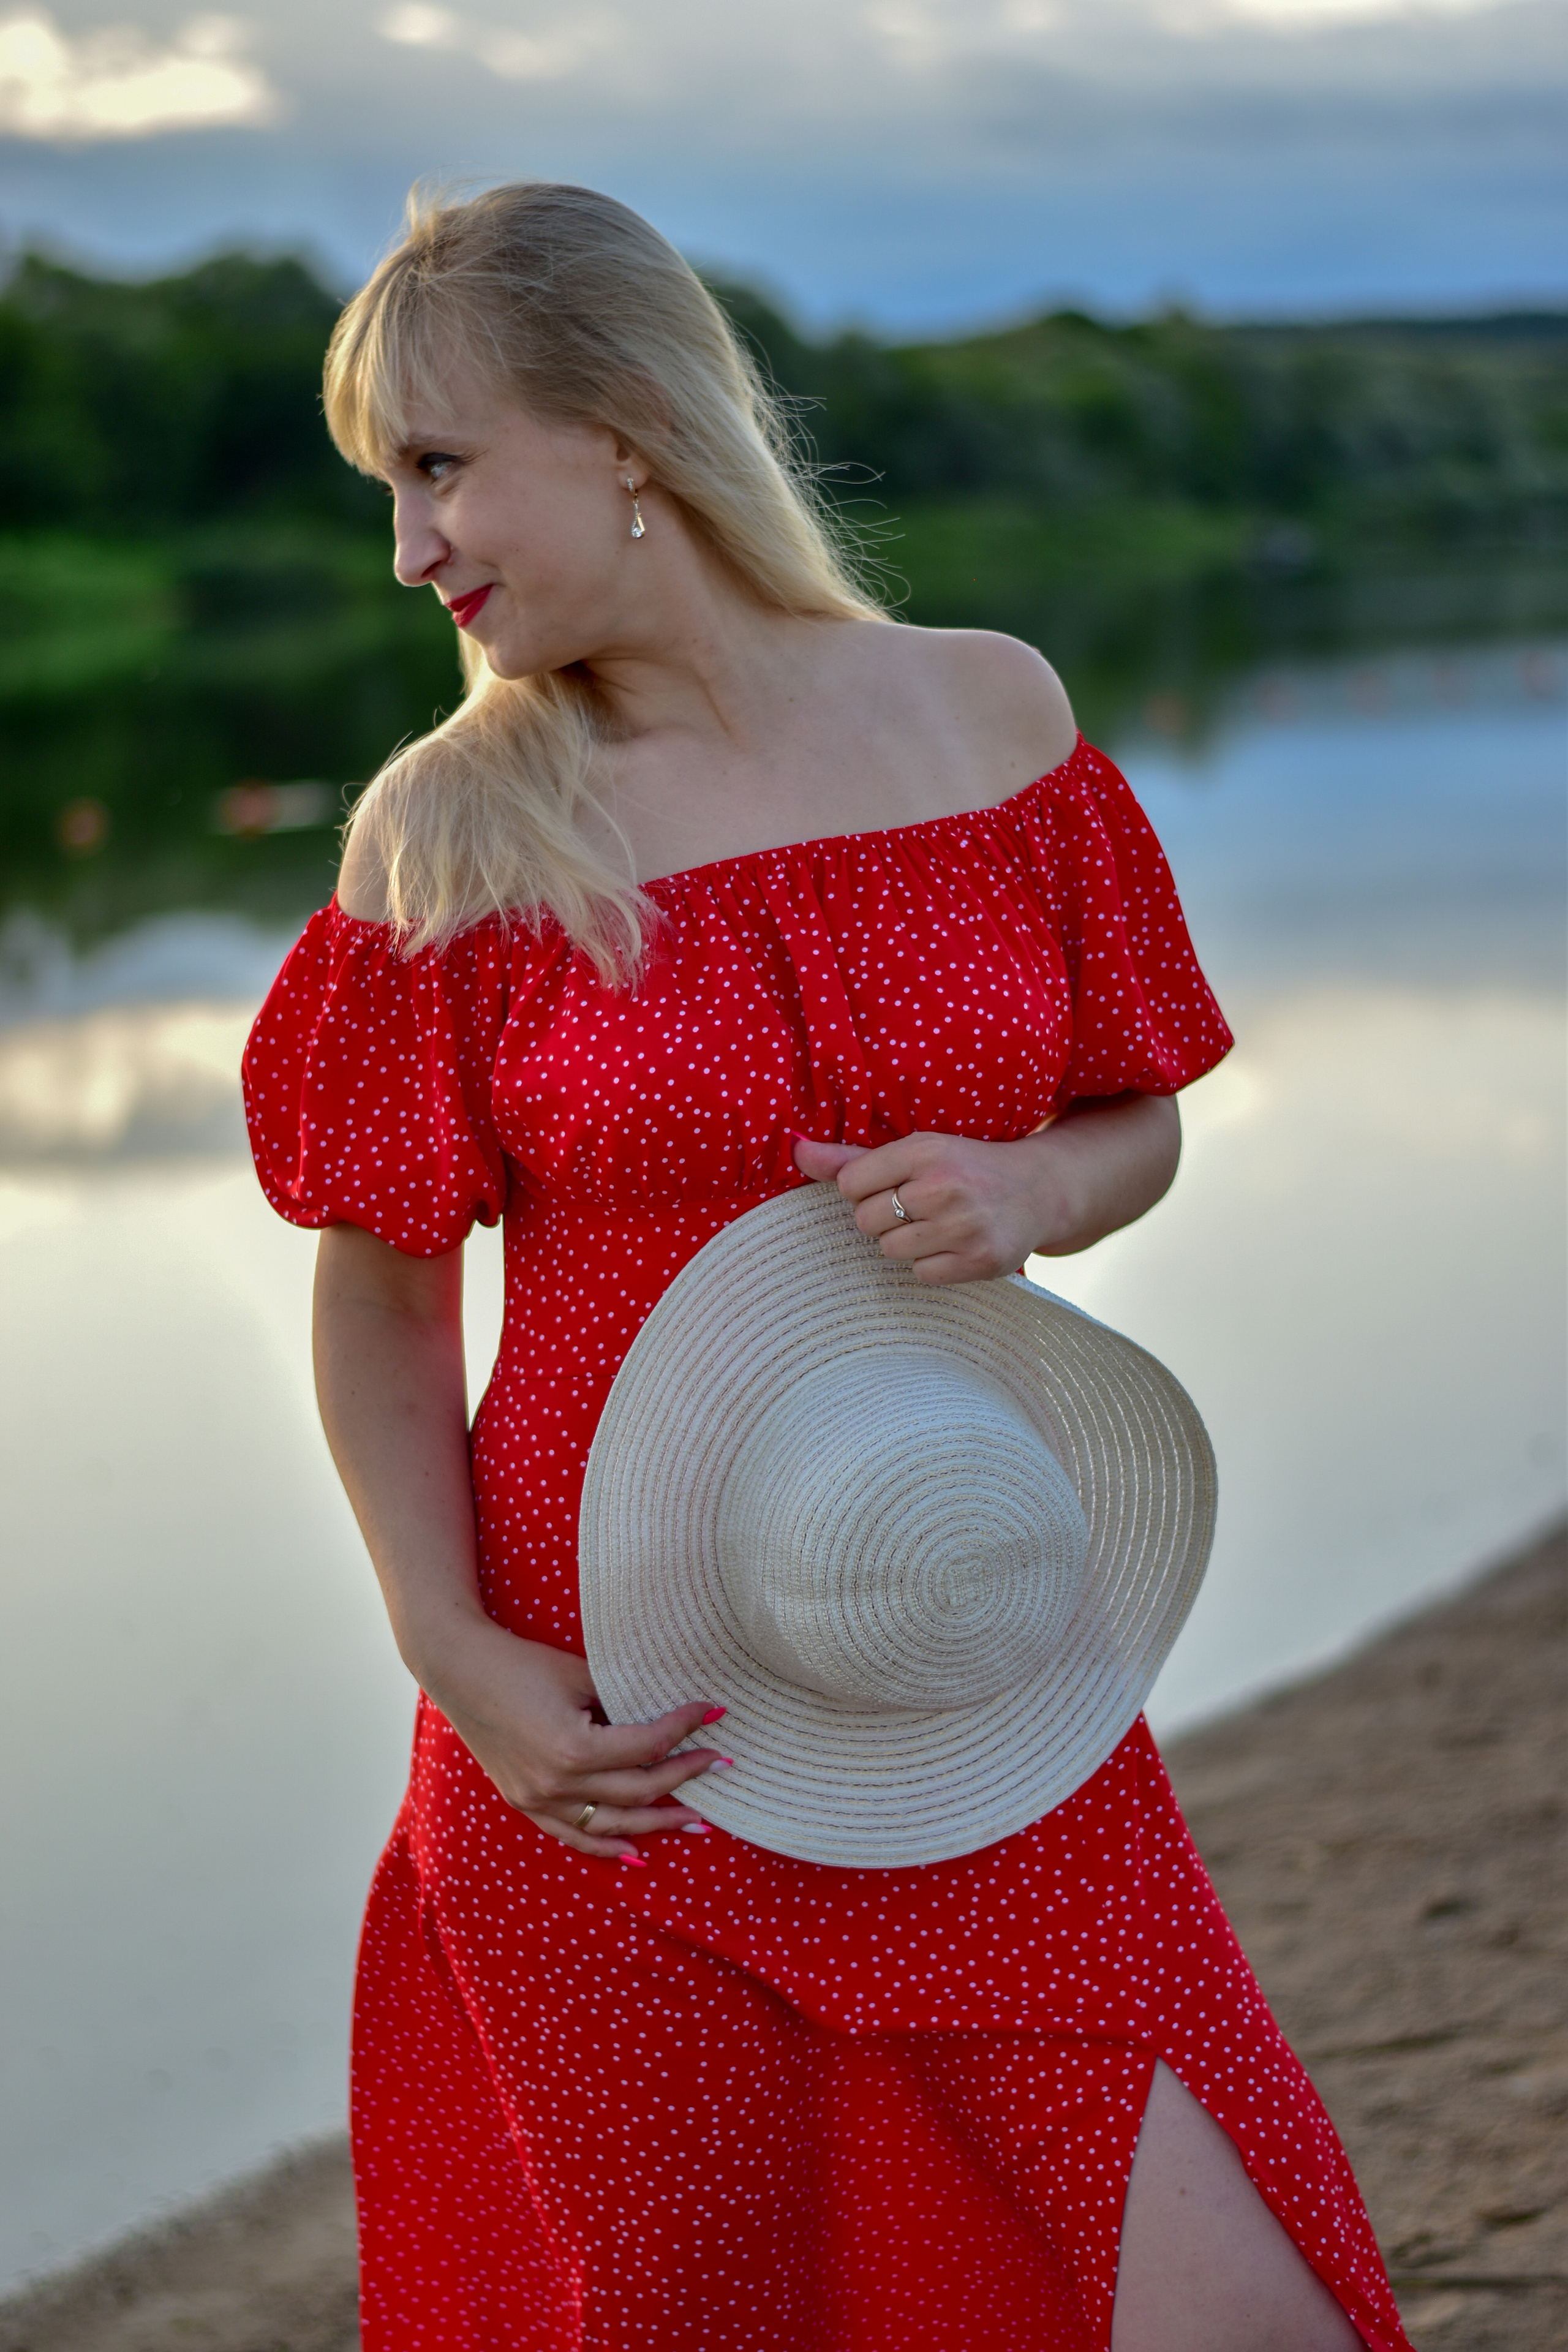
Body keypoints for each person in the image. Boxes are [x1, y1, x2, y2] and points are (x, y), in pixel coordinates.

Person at [243, 181, 1412, 2352]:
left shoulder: (988, 716)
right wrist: (453, 1655)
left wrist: (1039, 1198)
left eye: (435, 466)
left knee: (1243, 2315)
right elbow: (381, 1295)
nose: (410, 549)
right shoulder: (455, 831)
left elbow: (1133, 1106)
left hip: (956, 1662)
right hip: (620, 1743)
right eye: (385, 490)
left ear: (623, 429)